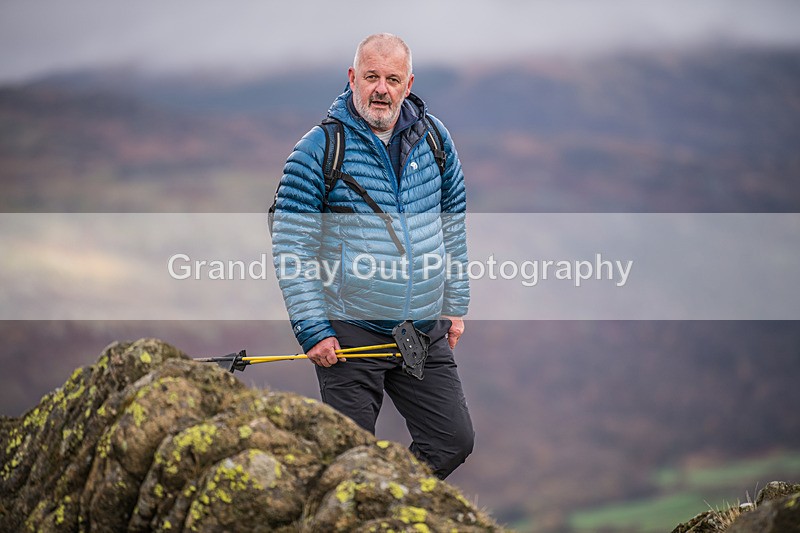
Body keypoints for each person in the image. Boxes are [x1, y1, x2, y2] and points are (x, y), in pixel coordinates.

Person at [270, 33, 473, 479]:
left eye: (392, 79)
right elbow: (291, 246)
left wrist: (455, 304)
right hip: (348, 333)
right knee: (350, 462)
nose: (381, 89)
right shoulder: (319, 149)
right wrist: (313, 329)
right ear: (352, 78)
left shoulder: (435, 139)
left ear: (408, 84)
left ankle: (384, 505)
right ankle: (354, 503)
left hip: (422, 329)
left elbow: (453, 226)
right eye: (371, 77)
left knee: (452, 441)